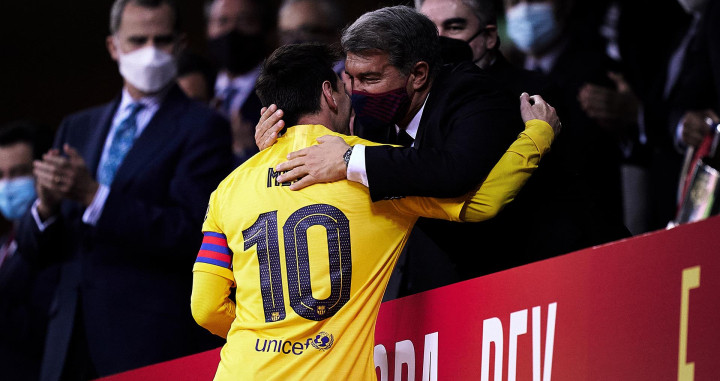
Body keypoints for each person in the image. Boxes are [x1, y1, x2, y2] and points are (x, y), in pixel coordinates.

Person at [191, 42, 559, 379]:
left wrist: (265, 335)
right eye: (343, 85)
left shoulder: (231, 187)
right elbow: (482, 204)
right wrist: (537, 134)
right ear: (327, 94)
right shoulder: (369, 169)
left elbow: (206, 307)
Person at [255, 6, 557, 296]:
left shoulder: (471, 94)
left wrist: (350, 158)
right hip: (413, 286)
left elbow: (456, 174)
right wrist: (276, 149)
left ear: (418, 74)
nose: (357, 92)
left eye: (370, 78)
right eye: (351, 77)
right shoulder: (369, 116)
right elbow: (328, 170)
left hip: (493, 278)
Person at [15, 0, 234, 379]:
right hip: (67, 334)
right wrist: (45, 208)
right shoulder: (78, 126)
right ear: (114, 47)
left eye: (161, 39)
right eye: (137, 40)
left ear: (180, 44)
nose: (150, 52)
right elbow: (38, 251)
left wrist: (93, 197)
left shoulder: (203, 127)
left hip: (147, 339)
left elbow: (192, 233)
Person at [502, 0, 631, 253]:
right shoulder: (503, 78)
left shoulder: (601, 68)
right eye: (515, 1)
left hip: (593, 236)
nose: (525, 9)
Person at [0, 120, 55, 381]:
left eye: (19, 172)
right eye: (0, 175)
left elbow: (39, 333)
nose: (8, 184)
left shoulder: (61, 244)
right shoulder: (4, 244)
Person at [205, 0, 275, 165]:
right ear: (208, 28)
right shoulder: (197, 87)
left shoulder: (280, 89)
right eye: (222, 21)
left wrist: (248, 151)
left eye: (244, 21)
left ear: (263, 28)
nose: (232, 31)